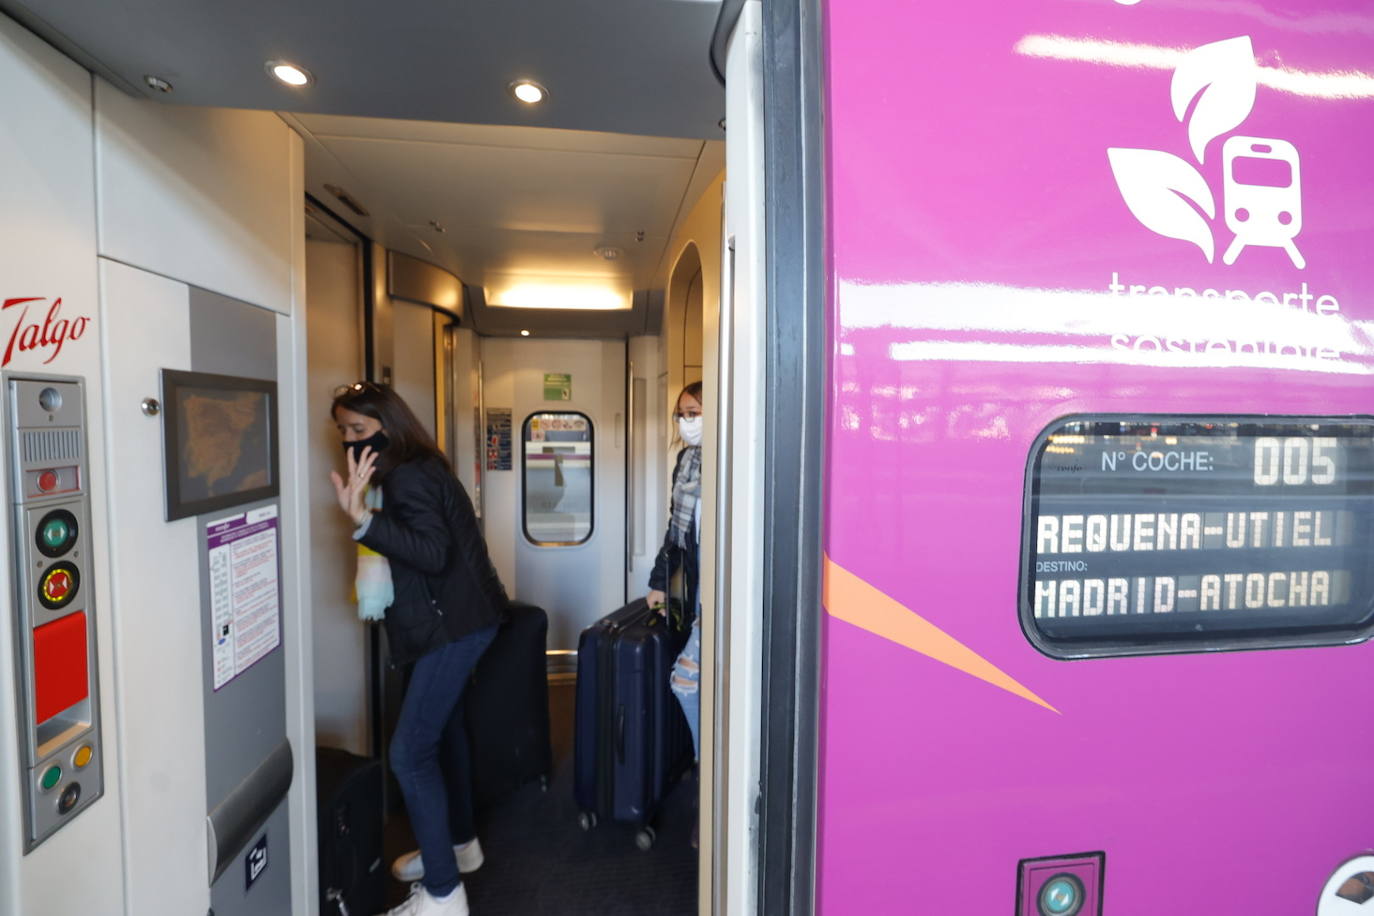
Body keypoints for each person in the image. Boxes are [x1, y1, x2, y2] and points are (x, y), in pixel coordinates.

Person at [329, 381, 507, 916]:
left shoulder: (407, 477)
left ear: (389, 425)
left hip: (453, 624)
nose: (350, 440)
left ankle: (444, 895)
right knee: (442, 733)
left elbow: (431, 554)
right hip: (453, 619)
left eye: (359, 430)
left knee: (410, 753)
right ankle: (458, 847)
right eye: (343, 431)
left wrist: (362, 519)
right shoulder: (413, 466)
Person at [646, 381, 704, 845]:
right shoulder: (685, 465)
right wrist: (658, 582)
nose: (687, 422)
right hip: (702, 595)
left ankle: (711, 785)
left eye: (695, 412)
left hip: (727, 599)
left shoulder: (735, 461)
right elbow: (675, 532)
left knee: (685, 681)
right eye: (682, 413)